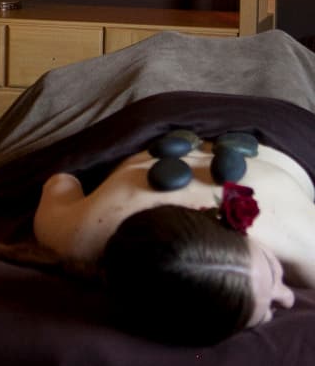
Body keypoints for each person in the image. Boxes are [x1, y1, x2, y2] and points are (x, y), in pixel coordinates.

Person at [32, 140, 315, 343]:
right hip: (273, 136)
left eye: (273, 273)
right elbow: (61, 183)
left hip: (156, 124)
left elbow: (60, 180)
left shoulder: (76, 236)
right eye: (267, 310)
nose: (288, 298)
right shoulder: (74, 234)